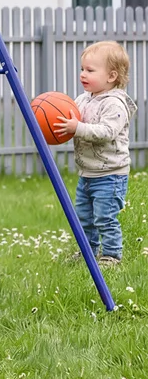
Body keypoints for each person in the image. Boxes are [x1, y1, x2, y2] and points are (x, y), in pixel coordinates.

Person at [55, 40, 137, 267]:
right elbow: (70, 120)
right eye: (82, 69)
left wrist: (77, 128)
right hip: (88, 172)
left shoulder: (115, 103)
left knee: (105, 217)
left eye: (90, 70)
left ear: (111, 76)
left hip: (111, 174)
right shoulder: (83, 99)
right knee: (84, 218)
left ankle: (111, 255)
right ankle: (88, 252)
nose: (83, 74)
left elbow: (107, 132)